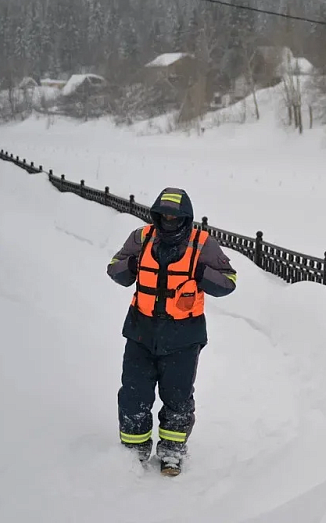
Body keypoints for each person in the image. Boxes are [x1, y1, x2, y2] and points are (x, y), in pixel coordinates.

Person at [106, 187, 237, 476]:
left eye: (175, 217)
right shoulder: (141, 238)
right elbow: (114, 268)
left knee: (178, 396)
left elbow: (228, 282)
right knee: (134, 393)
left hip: (183, 336)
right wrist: (131, 265)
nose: (169, 221)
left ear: (186, 218)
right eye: (163, 216)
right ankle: (134, 451)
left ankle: (172, 452)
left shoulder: (203, 244)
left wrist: (202, 274)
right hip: (141, 331)